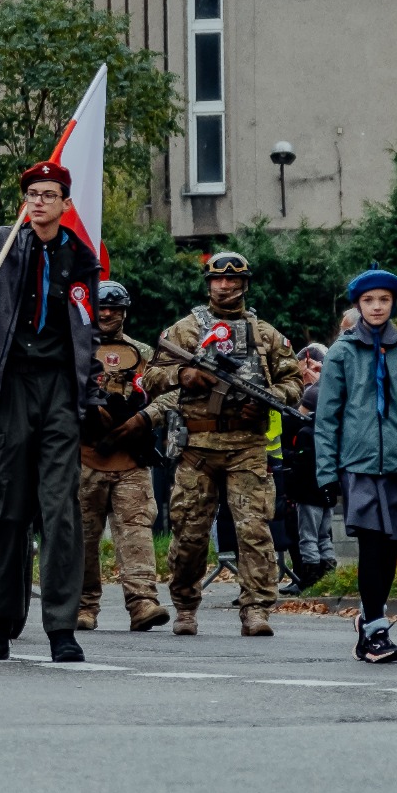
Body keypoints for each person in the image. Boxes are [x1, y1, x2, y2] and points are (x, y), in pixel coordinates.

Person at [0, 160, 101, 662]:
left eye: (49, 194)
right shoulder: (0, 242)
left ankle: (62, 626)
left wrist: (89, 389)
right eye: (32, 193)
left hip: (58, 386)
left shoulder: (80, 256)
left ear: (65, 204)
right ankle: (1, 617)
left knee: (61, 511)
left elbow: (86, 324)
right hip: (8, 385)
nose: (38, 202)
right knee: (9, 510)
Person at [143, 252, 303, 638]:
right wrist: (184, 374)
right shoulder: (185, 330)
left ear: (245, 284)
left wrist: (266, 398)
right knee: (190, 534)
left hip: (247, 446)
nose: (226, 286)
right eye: (218, 280)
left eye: (233, 280)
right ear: (209, 284)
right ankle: (184, 605)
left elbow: (294, 383)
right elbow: (149, 377)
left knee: (254, 531)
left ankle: (256, 610)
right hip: (196, 447)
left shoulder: (265, 334)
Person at [314, 269, 397, 663]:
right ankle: (375, 632)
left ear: (393, 303)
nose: (377, 307)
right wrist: (327, 473)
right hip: (358, 465)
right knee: (370, 544)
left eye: (383, 300)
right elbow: (327, 417)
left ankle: (370, 618)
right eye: (369, 301)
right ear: (358, 306)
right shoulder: (341, 354)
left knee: (390, 549)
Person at [76, 280, 174, 632]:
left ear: (125, 312)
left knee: (137, 533)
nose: (107, 314)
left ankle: (143, 603)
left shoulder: (145, 354)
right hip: (86, 459)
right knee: (83, 537)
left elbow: (172, 394)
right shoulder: (76, 351)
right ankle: (83, 606)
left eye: (114, 308)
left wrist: (144, 418)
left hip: (132, 460)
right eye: (101, 307)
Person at [279, 343, 337, 589]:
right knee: (324, 535)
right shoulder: (332, 396)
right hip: (327, 489)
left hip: (307, 490)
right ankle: (329, 573)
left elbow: (289, 424)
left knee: (308, 536)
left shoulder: (312, 396)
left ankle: (310, 576)